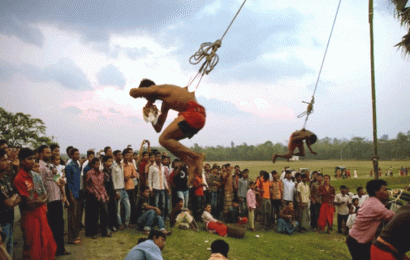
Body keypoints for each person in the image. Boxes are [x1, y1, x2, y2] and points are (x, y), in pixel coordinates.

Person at [129, 79, 206, 184]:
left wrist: (147, 100)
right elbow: (158, 128)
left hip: (194, 113)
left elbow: (132, 92)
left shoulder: (159, 88)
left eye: (145, 95)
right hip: (198, 118)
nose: (145, 97)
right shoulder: (165, 103)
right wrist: (152, 116)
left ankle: (196, 156)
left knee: (163, 139)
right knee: (167, 142)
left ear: (149, 88)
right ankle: (191, 164)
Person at [14, 148, 57, 260]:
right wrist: (40, 200)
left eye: (33, 158)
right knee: (32, 245)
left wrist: (40, 200)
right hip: (29, 216)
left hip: (41, 213)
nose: (33, 161)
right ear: (22, 160)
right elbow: (29, 203)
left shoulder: (35, 175)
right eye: (29, 159)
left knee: (45, 243)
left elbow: (44, 194)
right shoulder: (19, 178)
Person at [346, 179, 394, 260]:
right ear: (377, 192)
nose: (387, 192)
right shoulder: (376, 206)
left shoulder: (370, 200)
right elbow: (393, 216)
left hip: (355, 239)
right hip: (358, 242)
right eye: (385, 189)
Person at [38, 146, 69, 256]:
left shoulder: (50, 166)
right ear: (41, 154)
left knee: (59, 226)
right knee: (52, 227)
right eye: (47, 153)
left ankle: (59, 249)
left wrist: (62, 183)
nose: (50, 155)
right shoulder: (41, 167)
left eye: (50, 153)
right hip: (49, 201)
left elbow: (58, 179)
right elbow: (40, 185)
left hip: (57, 199)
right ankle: (53, 250)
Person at [0, 149, 21, 258]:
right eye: (4, 160)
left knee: (9, 248)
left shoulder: (6, 179)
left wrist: (13, 198)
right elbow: (8, 203)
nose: (8, 162)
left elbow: (18, 195)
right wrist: (14, 197)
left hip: (9, 219)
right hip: (2, 223)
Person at [84, 158, 111, 239]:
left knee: (104, 214)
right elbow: (86, 185)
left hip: (102, 195)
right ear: (92, 165)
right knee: (94, 215)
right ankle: (93, 233)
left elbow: (102, 185)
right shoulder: (89, 173)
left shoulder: (101, 173)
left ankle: (104, 231)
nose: (97, 165)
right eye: (96, 164)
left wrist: (105, 194)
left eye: (98, 164)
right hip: (93, 196)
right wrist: (92, 192)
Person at [64, 148, 82, 245]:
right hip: (72, 194)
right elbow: (68, 183)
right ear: (71, 155)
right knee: (72, 217)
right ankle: (71, 238)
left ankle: (75, 235)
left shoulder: (77, 164)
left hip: (78, 193)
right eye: (75, 154)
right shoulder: (69, 166)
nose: (77, 156)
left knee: (77, 217)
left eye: (78, 154)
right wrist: (70, 195)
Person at [112, 150, 131, 230]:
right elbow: (113, 179)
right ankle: (119, 224)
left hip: (123, 189)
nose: (120, 156)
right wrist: (115, 191)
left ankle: (126, 223)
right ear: (115, 156)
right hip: (118, 190)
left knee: (128, 206)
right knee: (118, 210)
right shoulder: (113, 166)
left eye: (120, 155)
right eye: (118, 155)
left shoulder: (121, 165)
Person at [148, 151, 170, 216]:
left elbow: (163, 178)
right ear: (154, 158)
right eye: (157, 156)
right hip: (155, 188)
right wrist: (151, 189)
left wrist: (167, 187)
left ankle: (162, 217)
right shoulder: (152, 167)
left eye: (160, 156)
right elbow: (150, 179)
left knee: (163, 204)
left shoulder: (162, 166)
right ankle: (155, 217)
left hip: (162, 188)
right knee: (156, 204)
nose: (158, 158)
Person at [123, 149, 138, 226]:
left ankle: (133, 220)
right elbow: (122, 177)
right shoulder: (121, 165)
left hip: (131, 186)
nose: (128, 157)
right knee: (125, 205)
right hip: (124, 187)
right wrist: (129, 176)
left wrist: (129, 176)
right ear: (123, 156)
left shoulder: (131, 164)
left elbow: (135, 174)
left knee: (133, 204)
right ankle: (125, 221)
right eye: (126, 155)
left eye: (129, 155)